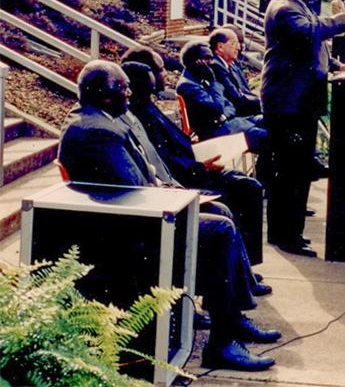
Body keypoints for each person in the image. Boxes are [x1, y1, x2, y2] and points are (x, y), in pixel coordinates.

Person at [58, 60, 280, 371]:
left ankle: (232, 321)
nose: (131, 93)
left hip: (128, 216)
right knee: (219, 231)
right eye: (125, 88)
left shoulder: (99, 120)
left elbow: (137, 182)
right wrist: (179, 195)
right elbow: (136, 190)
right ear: (107, 96)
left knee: (219, 211)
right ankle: (222, 343)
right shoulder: (98, 131)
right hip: (126, 232)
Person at [120, 50, 266, 270]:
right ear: (144, 75)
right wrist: (200, 167)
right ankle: (238, 272)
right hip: (185, 178)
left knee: (247, 184)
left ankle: (244, 270)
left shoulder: (148, 107)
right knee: (243, 190)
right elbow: (162, 160)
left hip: (193, 166)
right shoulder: (137, 114)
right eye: (159, 70)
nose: (164, 75)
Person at [260, 0, 345, 257]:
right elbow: (307, 32)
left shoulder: (298, 4)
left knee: (298, 170)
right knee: (290, 171)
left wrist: (336, 64)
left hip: (299, 102)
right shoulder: (284, 8)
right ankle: (286, 237)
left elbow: (311, 48)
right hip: (287, 103)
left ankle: (290, 232)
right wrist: (343, 19)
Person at [176, 40, 268, 155]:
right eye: (207, 58)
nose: (211, 62)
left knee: (273, 120)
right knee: (270, 139)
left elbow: (229, 105)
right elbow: (217, 107)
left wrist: (225, 115)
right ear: (196, 61)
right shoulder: (188, 85)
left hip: (231, 122)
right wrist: (214, 82)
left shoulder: (201, 77)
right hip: (218, 132)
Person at [209, 28, 261, 116]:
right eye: (234, 44)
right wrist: (263, 103)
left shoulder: (225, 64)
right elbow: (236, 98)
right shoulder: (217, 67)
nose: (239, 47)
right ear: (220, 47)